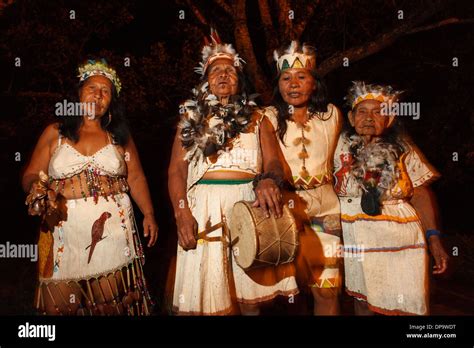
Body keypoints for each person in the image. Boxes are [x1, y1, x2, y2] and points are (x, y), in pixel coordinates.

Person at [168, 31, 298, 315]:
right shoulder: (189, 120)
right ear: (205, 81)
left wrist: (267, 180)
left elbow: (275, 163)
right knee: (210, 297)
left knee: (250, 300)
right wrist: (181, 212)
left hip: (249, 205)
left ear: (240, 80)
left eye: (230, 70)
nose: (224, 75)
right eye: (216, 70)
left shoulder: (259, 118)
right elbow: (176, 170)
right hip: (203, 210)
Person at [22, 59, 158, 315]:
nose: (98, 94)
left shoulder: (118, 136)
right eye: (91, 87)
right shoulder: (55, 132)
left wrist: (149, 214)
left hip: (113, 233)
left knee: (108, 306)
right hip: (62, 231)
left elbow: (136, 177)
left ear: (111, 102)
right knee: (60, 308)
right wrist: (38, 188)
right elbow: (30, 174)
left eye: (105, 90)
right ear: (78, 94)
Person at [333, 81, 449, 315]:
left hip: (402, 240)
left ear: (390, 119)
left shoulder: (403, 148)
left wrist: (434, 238)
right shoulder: (337, 146)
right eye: (362, 112)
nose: (369, 118)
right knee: (363, 303)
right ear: (351, 117)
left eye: (378, 112)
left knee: (407, 302)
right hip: (357, 235)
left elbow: (420, 192)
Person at [262, 41, 343, 315]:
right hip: (285, 209)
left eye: (301, 77)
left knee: (327, 285)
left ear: (314, 82)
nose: (293, 84)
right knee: (288, 292)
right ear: (279, 84)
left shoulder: (332, 115)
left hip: (327, 210)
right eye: (286, 78)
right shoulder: (268, 117)